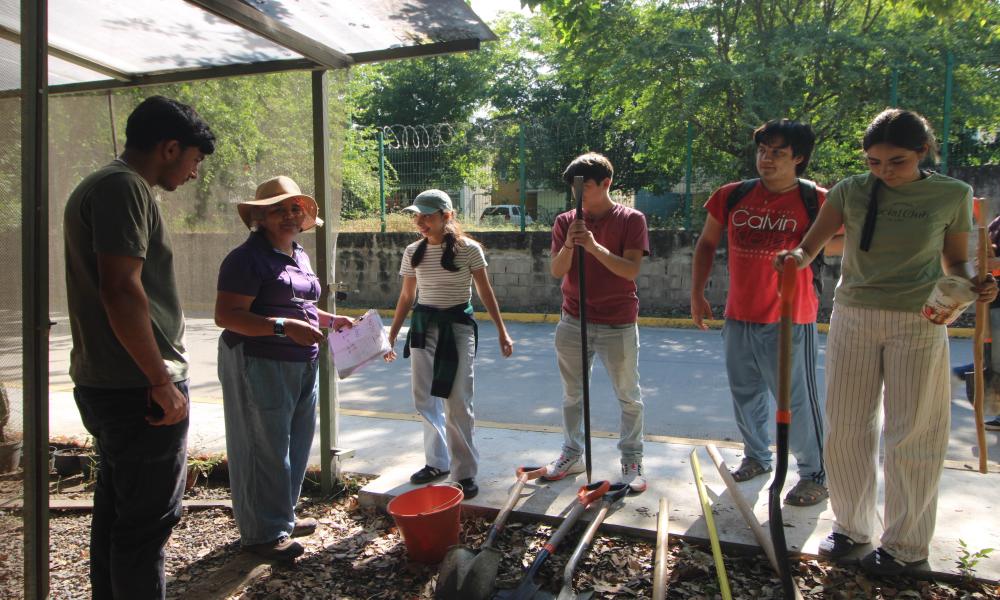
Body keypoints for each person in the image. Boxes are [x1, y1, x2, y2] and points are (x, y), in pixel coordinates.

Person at [776, 108, 997, 576]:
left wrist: (977, 283)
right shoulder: (850, 190)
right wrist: (794, 258)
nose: (884, 171)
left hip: (920, 319)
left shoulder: (951, 194)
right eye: (875, 162)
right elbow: (811, 245)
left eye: (896, 161)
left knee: (913, 432)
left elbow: (956, 262)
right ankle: (852, 528)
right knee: (847, 427)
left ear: (923, 152)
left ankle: (906, 546)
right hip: (854, 314)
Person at [63, 95, 215, 599]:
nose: (194, 173)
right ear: (170, 147)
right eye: (194, 160)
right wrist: (159, 380)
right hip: (137, 388)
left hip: (111, 382)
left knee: (117, 511)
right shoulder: (123, 188)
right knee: (147, 525)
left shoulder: (106, 185)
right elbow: (121, 288)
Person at [691, 120, 842, 506]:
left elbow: (845, 241)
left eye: (778, 153)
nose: (766, 159)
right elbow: (707, 243)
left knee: (796, 400)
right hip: (739, 315)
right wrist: (696, 292)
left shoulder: (818, 200)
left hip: (791, 319)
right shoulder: (731, 195)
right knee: (745, 393)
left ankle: (814, 474)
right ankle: (757, 457)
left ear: (799, 158)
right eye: (762, 151)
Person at [214, 176, 353, 560]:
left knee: (293, 442)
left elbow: (303, 305)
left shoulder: (298, 254)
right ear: (260, 217)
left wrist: (330, 321)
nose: (290, 215)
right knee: (264, 448)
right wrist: (282, 327)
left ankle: (281, 518)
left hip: (301, 360)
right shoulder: (246, 259)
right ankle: (261, 535)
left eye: (296, 208)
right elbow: (227, 315)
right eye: (279, 209)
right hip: (258, 360)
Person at [384, 189, 513, 500]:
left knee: (457, 401)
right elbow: (406, 297)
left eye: (428, 215)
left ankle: (464, 472)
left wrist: (502, 331)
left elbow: (485, 292)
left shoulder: (469, 250)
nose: (420, 221)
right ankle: (436, 463)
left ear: (447, 216)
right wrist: (390, 335)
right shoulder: (413, 251)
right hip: (422, 328)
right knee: (424, 398)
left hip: (456, 329)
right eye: (418, 215)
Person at [543, 152, 650, 493]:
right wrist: (572, 246)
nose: (578, 196)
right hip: (574, 320)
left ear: (606, 184)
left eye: (584, 187)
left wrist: (592, 245)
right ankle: (572, 452)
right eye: (574, 189)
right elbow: (557, 271)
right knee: (572, 394)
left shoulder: (632, 219)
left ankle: (632, 460)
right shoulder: (564, 222)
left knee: (628, 396)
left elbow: (630, 270)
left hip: (618, 321)